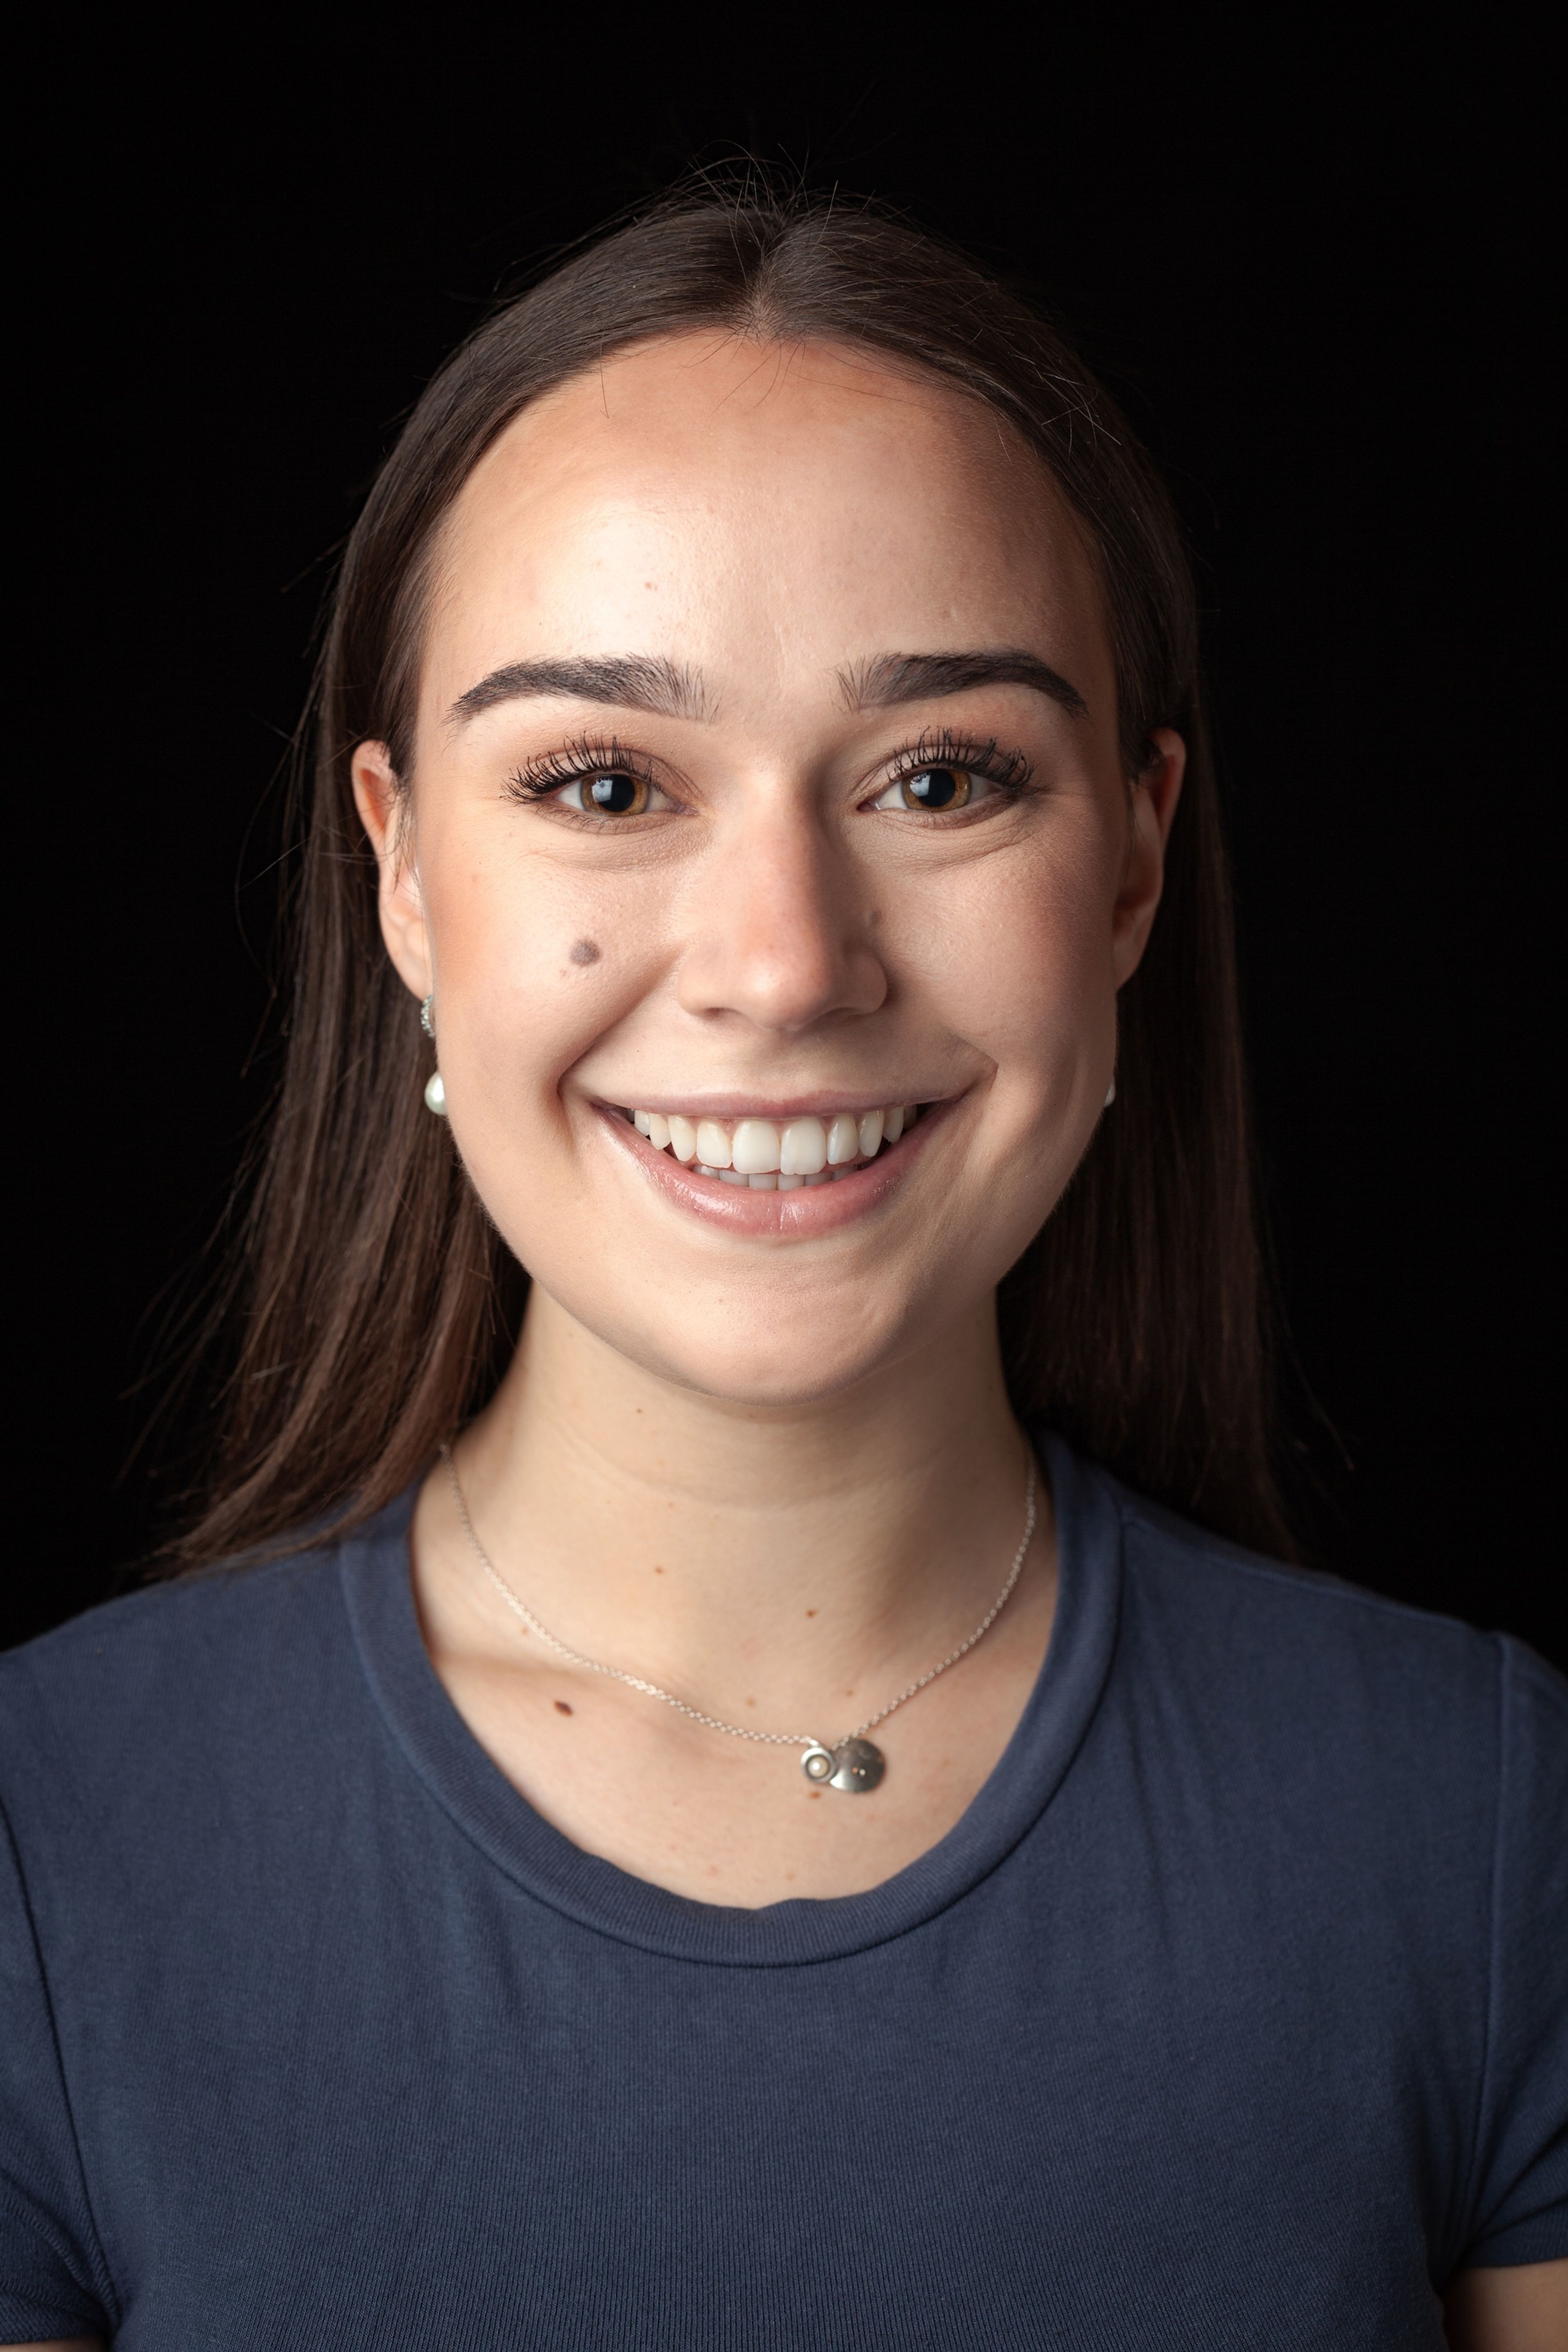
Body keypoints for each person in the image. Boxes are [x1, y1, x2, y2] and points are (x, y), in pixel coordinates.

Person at [2, 187, 1563, 2352]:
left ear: (1129, 865)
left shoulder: (1488, 1832)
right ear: (408, 879)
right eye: (605, 780)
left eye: (938, 778)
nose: (784, 965)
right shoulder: (45, 1852)